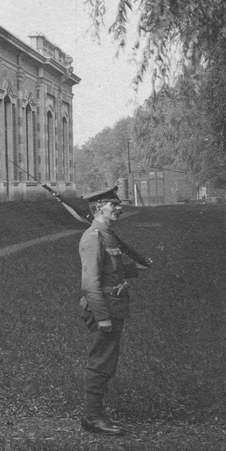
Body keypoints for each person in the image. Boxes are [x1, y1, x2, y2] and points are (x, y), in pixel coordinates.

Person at [78, 185, 153, 435]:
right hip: (105, 310)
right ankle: (93, 418)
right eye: (114, 205)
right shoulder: (93, 238)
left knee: (106, 362)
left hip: (114, 307)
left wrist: (134, 269)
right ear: (99, 208)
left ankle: (95, 414)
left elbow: (111, 270)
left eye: (119, 204)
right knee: (101, 363)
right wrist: (102, 316)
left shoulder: (108, 235)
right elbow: (90, 283)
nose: (120, 208)